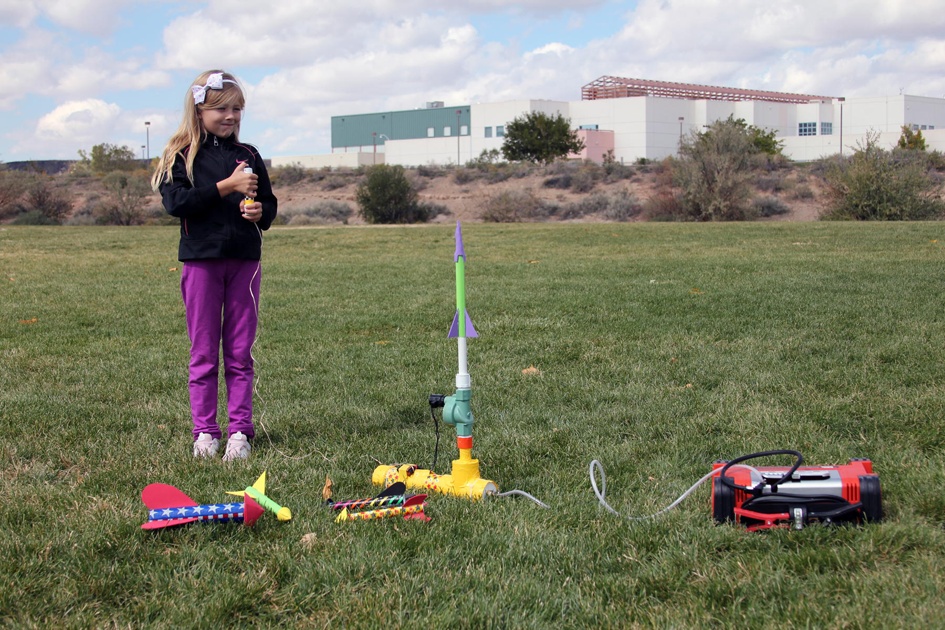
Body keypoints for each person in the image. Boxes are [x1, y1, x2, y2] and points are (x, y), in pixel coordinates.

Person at [151, 69, 277, 460]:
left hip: (244, 262)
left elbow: (270, 206)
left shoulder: (249, 156)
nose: (231, 116)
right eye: (222, 108)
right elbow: (177, 204)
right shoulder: (181, 156)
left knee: (240, 351)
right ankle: (205, 432)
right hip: (201, 263)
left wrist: (259, 211)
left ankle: (240, 431)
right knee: (203, 351)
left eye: (238, 109)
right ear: (199, 109)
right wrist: (227, 186)